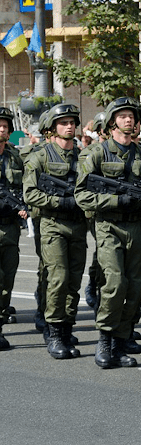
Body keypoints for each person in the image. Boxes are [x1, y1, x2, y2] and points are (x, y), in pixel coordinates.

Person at [75, 97, 141, 369]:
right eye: (122, 116)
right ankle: (105, 340)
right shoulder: (98, 153)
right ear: (111, 122)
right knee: (115, 282)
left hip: (138, 227)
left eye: (131, 116)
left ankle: (121, 342)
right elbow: (82, 195)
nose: (128, 120)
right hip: (109, 227)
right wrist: (117, 201)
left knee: (135, 286)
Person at [23, 103, 87, 360]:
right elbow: (30, 193)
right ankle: (53, 331)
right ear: (52, 128)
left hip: (77, 225)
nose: (69, 125)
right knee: (58, 278)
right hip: (52, 224)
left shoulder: (82, 156)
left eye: (72, 122)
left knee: (73, 281)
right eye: (64, 122)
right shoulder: (39, 157)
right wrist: (60, 202)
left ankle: (66, 327)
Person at [0, 107, 27, 349]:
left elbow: (24, 187)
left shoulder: (15, 157)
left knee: (7, 277)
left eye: (5, 126)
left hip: (9, 227)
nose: (1, 129)